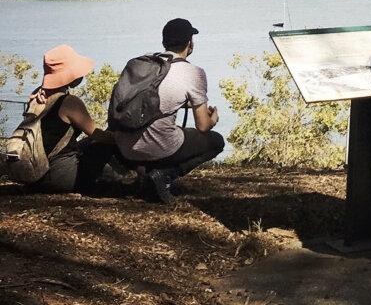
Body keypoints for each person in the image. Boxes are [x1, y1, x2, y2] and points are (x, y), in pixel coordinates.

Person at [113, 18, 225, 202]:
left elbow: (152, 100)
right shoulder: (194, 73)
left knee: (167, 131)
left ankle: (142, 173)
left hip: (124, 146)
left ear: (164, 42)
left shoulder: (141, 65)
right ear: (190, 43)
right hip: (157, 147)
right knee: (215, 141)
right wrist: (213, 118)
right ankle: (165, 174)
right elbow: (203, 126)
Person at [26, 45, 117, 193]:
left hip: (35, 175)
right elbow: (97, 135)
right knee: (104, 144)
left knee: (88, 142)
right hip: (61, 177)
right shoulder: (69, 102)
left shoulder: (36, 96)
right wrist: (125, 139)